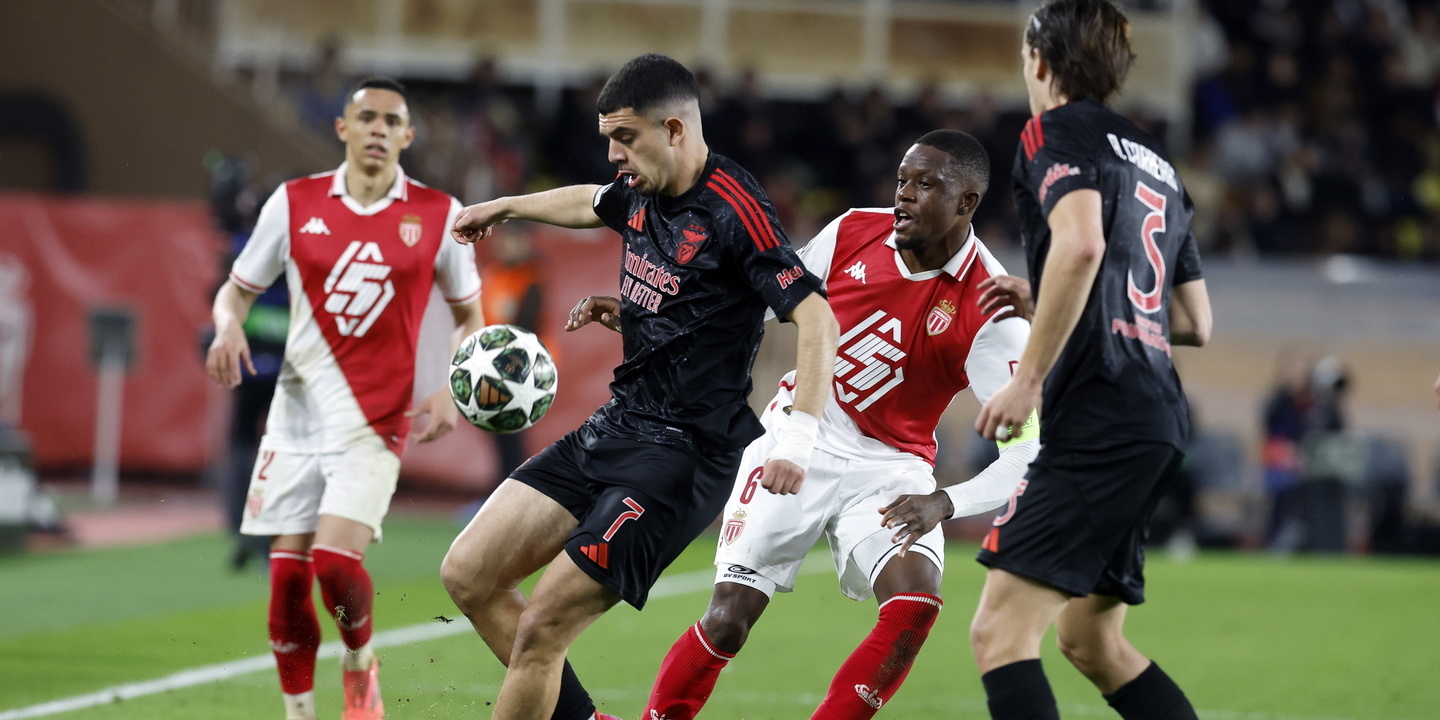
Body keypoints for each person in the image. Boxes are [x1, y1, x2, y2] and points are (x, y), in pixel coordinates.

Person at [439, 54, 838, 720]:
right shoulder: (643, 189)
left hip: (680, 457)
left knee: (543, 629)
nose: (614, 155)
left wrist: (798, 434)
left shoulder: (735, 210)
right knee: (469, 574)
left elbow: (817, 316)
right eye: (607, 140)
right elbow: (591, 203)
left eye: (625, 138)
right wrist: (506, 207)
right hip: (620, 424)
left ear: (675, 129)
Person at [604, 129, 1038, 720]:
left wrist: (943, 502)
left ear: (967, 203)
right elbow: (756, 297)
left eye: (925, 185)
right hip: (800, 433)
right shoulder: (855, 229)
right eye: (902, 181)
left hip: (892, 467)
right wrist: (645, 315)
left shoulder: (991, 309)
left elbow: (1024, 454)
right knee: (729, 619)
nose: (904, 196)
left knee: (915, 605)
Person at [894, 2, 1214, 719]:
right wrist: (1047, 295)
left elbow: (1082, 245)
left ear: (1038, 59)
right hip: (1158, 416)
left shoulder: (1053, 132)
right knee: (1092, 641)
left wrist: (1029, 378)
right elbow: (1194, 319)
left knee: (1000, 632)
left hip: (1098, 415)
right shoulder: (1160, 164)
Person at [205, 77, 485, 720]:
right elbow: (237, 290)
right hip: (296, 418)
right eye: (368, 118)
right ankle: (300, 712)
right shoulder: (294, 202)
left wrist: (451, 387)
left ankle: (360, 663)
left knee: (333, 563)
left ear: (408, 137)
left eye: (393, 121)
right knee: (283, 582)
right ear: (343, 129)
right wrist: (226, 325)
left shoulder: (437, 213)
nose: (380, 129)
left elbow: (471, 317)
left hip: (375, 420)